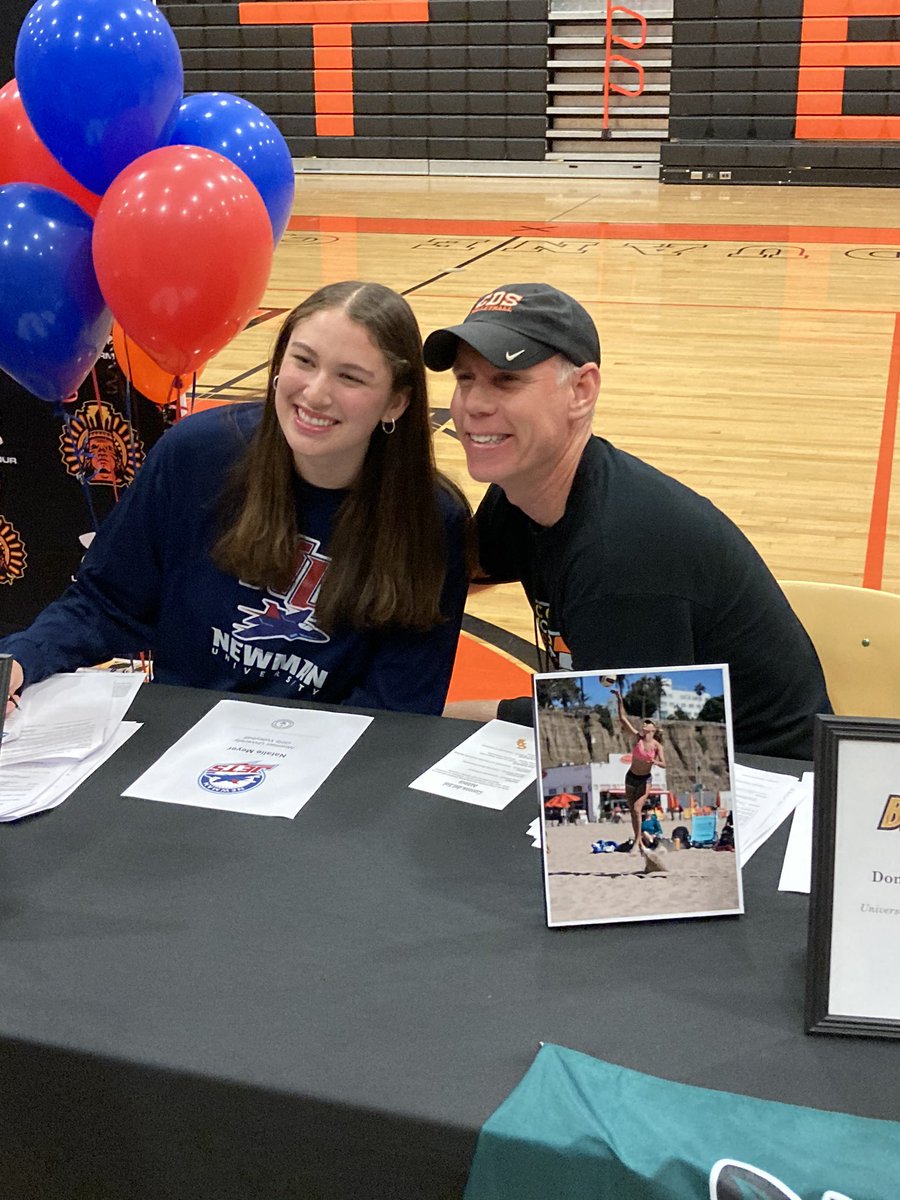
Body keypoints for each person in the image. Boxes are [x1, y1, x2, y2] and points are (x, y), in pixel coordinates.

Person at [2, 281, 471, 717]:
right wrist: (22, 659)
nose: (316, 393)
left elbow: (399, 708)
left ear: (396, 402)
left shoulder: (430, 521)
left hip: (324, 771)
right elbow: (105, 601)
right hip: (178, 744)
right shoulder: (197, 455)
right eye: (303, 361)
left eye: (350, 378)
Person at [424, 282, 830, 760]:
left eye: (506, 380)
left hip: (767, 784)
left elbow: (639, 782)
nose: (473, 404)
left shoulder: (622, 555)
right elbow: (440, 583)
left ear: (581, 390)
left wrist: (461, 712)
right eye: (465, 378)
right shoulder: (528, 490)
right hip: (670, 750)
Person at [614, 689, 666, 855]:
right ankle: (641, 846)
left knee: (637, 809)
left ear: (653, 729)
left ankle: (637, 843)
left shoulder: (658, 746)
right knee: (633, 811)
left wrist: (654, 761)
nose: (644, 725)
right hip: (630, 777)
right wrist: (620, 699)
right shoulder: (637, 738)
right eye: (644, 723)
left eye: (648, 723)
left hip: (645, 779)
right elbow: (622, 719)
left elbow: (664, 764)